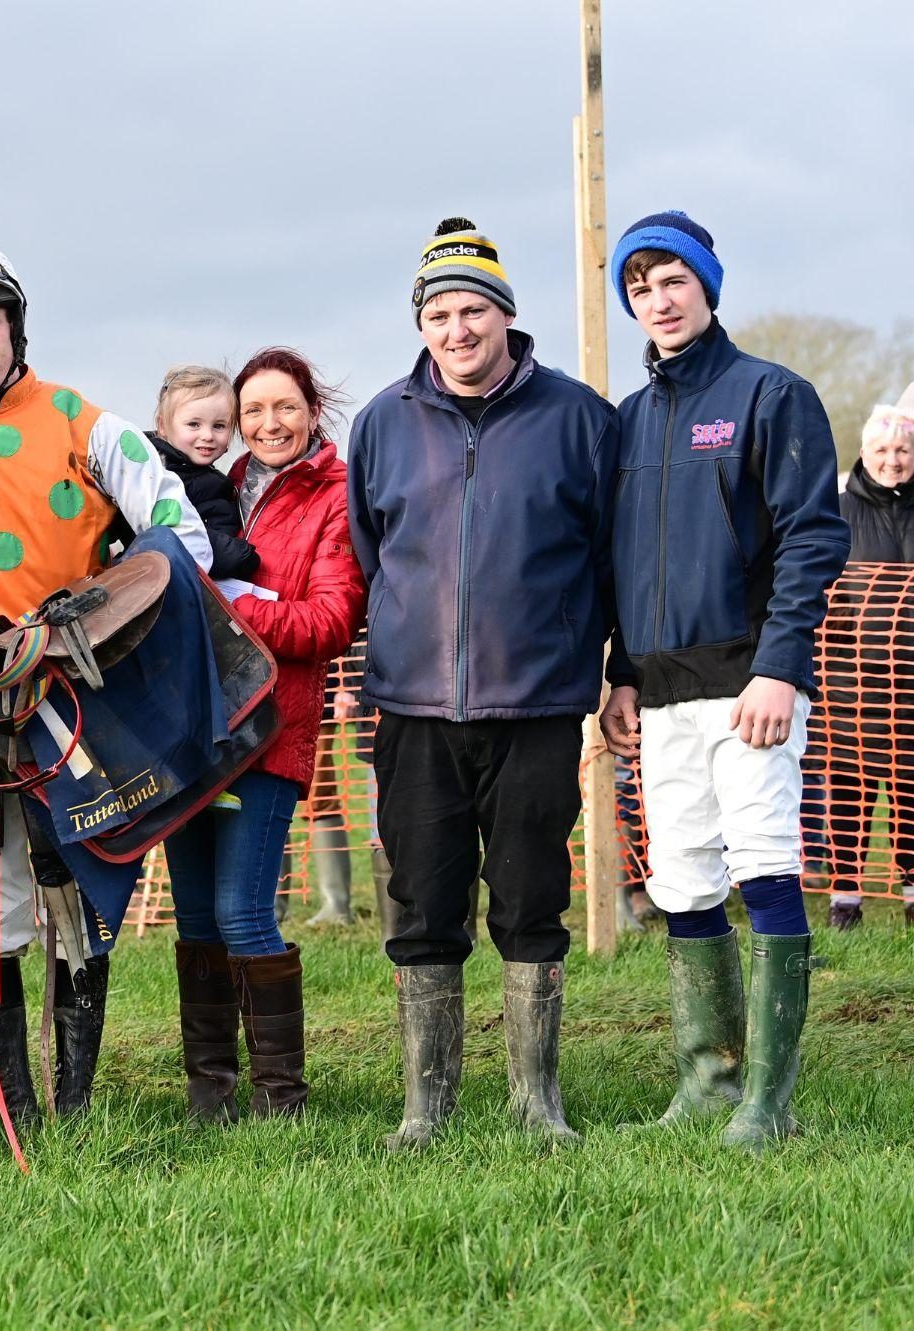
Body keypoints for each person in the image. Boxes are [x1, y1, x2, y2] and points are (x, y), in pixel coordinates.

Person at [0, 241, 212, 1127]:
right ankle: (17, 1109)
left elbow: (180, 537)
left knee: (80, 881)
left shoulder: (87, 422)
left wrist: (95, 613)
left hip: (77, 693)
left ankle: (74, 1103)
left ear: (15, 325)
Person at [347, 217, 618, 1150]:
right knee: (422, 900)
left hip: (537, 702)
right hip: (415, 706)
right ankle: (427, 1106)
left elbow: (608, 560)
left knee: (532, 892)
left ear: (506, 313)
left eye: (473, 310)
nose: (457, 330)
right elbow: (373, 552)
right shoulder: (382, 421)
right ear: (420, 324)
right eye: (439, 314)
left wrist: (608, 673)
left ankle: (536, 1100)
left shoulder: (580, 418)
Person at [599, 211, 850, 1150]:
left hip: (751, 686)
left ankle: (769, 1103)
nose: (656, 301)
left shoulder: (771, 395)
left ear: (707, 285)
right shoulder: (626, 422)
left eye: (672, 281)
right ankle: (708, 1080)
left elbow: (811, 539)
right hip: (658, 695)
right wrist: (620, 673)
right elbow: (620, 563)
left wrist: (782, 667)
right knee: (685, 876)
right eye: (639, 287)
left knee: (762, 862)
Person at [163, 347, 364, 1123]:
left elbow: (328, 621)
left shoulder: (337, 498)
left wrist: (224, 605)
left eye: (285, 407)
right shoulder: (211, 486)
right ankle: (210, 1092)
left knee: (243, 909)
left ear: (314, 411)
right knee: (193, 914)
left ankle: (283, 1096)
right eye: (254, 411)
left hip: (269, 731)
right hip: (189, 736)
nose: (267, 423)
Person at [821, 383, 914, 929]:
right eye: (882, 452)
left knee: (910, 798)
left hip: (912, 691)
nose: (893, 460)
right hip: (852, 690)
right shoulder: (836, 514)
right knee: (849, 797)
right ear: (864, 454)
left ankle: (910, 896)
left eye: (902, 451)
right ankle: (845, 901)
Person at [145, 364, 260, 580]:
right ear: (163, 426)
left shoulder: (212, 482)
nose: (207, 435)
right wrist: (243, 555)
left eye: (219, 426)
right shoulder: (151, 473)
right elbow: (207, 553)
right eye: (194, 424)